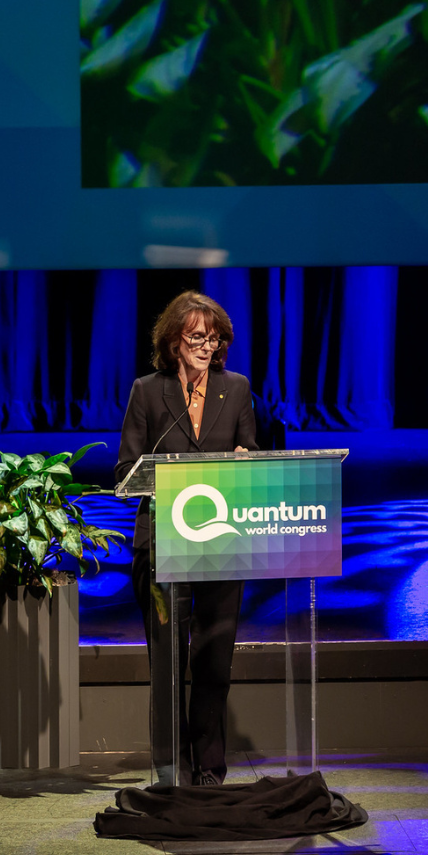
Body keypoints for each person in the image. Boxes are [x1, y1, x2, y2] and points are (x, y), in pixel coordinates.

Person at [115, 290, 259, 785]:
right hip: (162, 545)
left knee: (214, 664)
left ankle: (210, 769)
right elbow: (124, 471)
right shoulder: (147, 392)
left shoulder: (235, 389)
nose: (206, 345)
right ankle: (169, 768)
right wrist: (160, 474)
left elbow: (250, 453)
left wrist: (245, 460)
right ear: (175, 342)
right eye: (197, 336)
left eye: (213, 337)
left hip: (223, 543)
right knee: (169, 665)